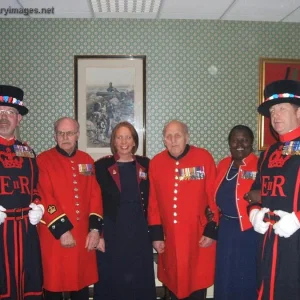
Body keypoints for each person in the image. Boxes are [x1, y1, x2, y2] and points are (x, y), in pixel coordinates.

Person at [148, 120, 218, 300]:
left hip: (198, 236)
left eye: (177, 135)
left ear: (187, 137)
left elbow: (213, 196)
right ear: (164, 140)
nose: (173, 140)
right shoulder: (156, 163)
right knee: (172, 283)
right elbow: (153, 202)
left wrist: (212, 229)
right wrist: (156, 234)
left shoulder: (203, 158)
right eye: (169, 137)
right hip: (169, 238)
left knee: (196, 284)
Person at [37, 117, 103, 300]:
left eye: (70, 133)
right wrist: (62, 230)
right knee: (53, 285)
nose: (65, 137)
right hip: (54, 235)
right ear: (55, 136)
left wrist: (95, 230)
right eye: (61, 133)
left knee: (80, 285)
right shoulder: (43, 160)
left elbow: (94, 195)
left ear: (78, 135)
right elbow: (44, 197)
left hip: (82, 236)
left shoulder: (87, 160)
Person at [248, 79, 300, 300]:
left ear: (298, 112)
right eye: (272, 110)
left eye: (281, 108)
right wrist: (254, 211)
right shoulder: (268, 152)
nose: (275, 115)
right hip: (269, 241)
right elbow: (256, 190)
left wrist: (298, 219)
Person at [93, 121, 156, 300]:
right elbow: (95, 202)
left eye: (128, 137)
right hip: (113, 232)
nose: (124, 141)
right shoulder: (101, 167)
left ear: (134, 141)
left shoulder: (147, 164)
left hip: (140, 232)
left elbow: (155, 200)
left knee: (139, 280)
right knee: (112, 281)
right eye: (119, 137)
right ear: (113, 141)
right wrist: (100, 234)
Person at [0, 85, 44, 299]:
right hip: (1, 230)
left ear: (19, 119)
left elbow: (35, 187)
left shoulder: (27, 151)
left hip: (26, 230)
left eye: (10, 112)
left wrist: (38, 205)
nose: (4, 117)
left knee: (29, 283)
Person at [213, 125, 258, 300]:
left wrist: (260, 194)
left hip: (249, 231)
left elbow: (270, 192)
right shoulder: (224, 164)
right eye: (235, 140)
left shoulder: (260, 164)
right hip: (226, 230)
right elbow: (213, 192)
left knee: (247, 277)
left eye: (244, 139)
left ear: (251, 142)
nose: (239, 144)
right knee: (225, 276)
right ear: (229, 143)